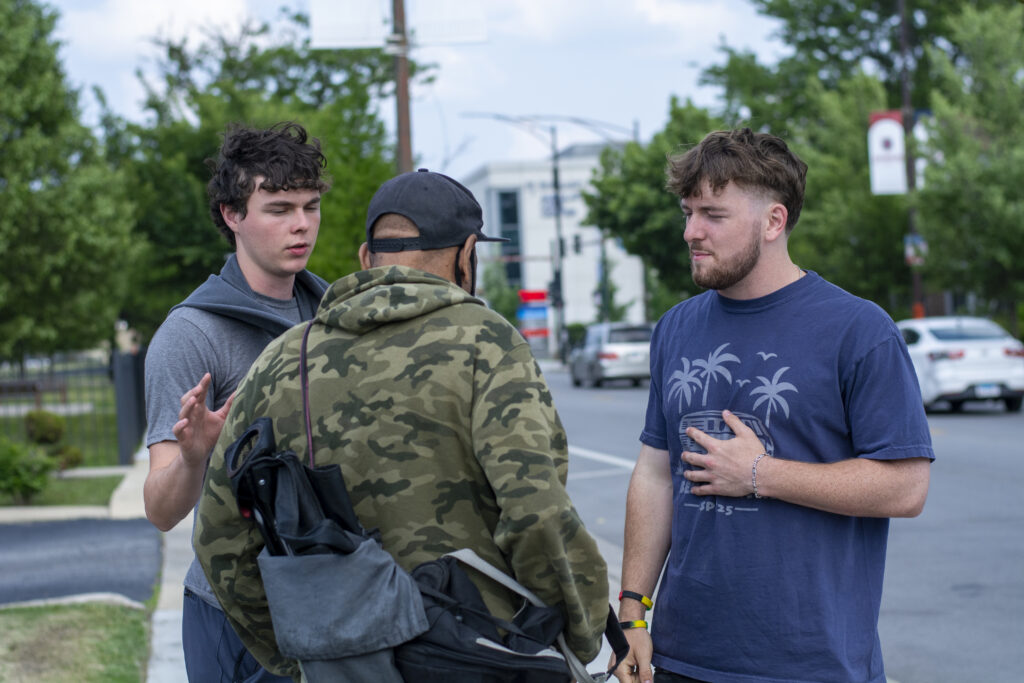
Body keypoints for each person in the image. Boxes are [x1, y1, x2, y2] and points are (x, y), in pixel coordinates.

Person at [194, 168, 611, 680]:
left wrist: (296, 655)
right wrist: (578, 635)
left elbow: (220, 538)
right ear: (467, 255)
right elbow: (536, 510)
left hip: (349, 663)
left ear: (366, 258)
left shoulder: (283, 359)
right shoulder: (487, 342)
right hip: (484, 654)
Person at [613, 128, 934, 683]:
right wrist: (633, 611)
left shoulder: (859, 330)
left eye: (713, 215)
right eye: (688, 213)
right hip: (682, 657)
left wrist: (759, 473)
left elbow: (906, 488)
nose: (691, 232)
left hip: (812, 664)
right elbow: (656, 474)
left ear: (773, 221)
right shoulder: (675, 328)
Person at [143, 121, 330, 682]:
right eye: (279, 209)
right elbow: (160, 511)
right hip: (234, 613)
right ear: (232, 215)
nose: (301, 224)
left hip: (333, 597)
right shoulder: (191, 334)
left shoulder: (334, 317)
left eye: (310, 206)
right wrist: (194, 456)